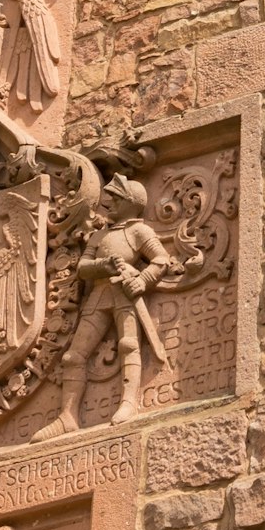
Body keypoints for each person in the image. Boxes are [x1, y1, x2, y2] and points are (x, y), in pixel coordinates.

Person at [45, 173, 173, 435]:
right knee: (73, 355)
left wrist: (142, 280)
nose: (109, 202)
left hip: (125, 294)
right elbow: (82, 268)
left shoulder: (138, 231)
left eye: (116, 198)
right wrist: (103, 265)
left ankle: (128, 402)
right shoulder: (99, 236)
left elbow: (161, 260)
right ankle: (67, 416)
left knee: (129, 345)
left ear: (130, 203)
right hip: (99, 296)